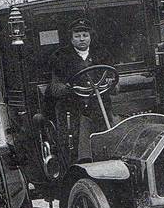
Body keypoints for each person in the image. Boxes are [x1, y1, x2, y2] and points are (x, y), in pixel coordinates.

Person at [47, 18, 115, 163]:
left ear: (90, 37)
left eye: (85, 35)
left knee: (107, 134)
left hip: (99, 105)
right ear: (71, 40)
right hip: (72, 108)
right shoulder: (61, 57)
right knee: (72, 141)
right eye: (77, 36)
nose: (82, 39)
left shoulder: (102, 54)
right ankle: (76, 163)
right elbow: (55, 88)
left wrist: (111, 83)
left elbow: (114, 82)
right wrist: (67, 89)